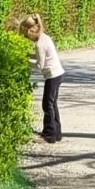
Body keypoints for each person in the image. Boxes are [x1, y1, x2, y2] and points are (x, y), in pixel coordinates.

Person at [18, 14, 65, 142]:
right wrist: (28, 55)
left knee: (47, 105)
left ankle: (49, 135)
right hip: (58, 74)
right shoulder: (45, 37)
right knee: (52, 104)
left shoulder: (39, 44)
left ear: (30, 30)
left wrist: (23, 61)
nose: (26, 38)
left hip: (52, 76)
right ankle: (57, 132)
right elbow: (40, 56)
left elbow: (40, 65)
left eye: (26, 35)